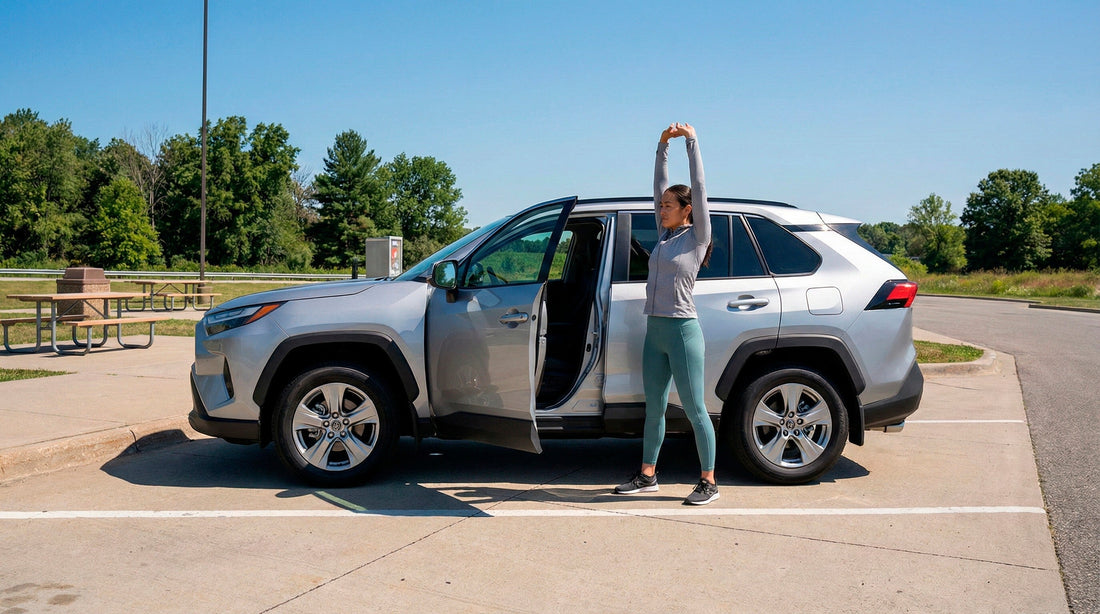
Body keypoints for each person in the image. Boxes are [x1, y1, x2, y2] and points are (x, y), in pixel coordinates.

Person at [614, 122, 719, 505]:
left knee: (694, 408)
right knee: (654, 407)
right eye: (660, 206)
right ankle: (647, 475)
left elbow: (701, 188)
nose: (661, 209)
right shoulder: (663, 236)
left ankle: (708, 481)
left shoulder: (697, 236)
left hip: (681, 332)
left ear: (687, 210)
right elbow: (659, 185)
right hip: (654, 331)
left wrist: (691, 142)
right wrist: (661, 146)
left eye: (668, 206)